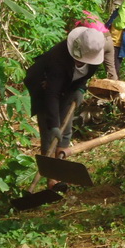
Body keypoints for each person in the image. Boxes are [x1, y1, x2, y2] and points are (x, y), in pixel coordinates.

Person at [24, 27, 105, 190]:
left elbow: (84, 76)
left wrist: (80, 89)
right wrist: (54, 125)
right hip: (44, 87)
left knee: (66, 130)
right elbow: (51, 94)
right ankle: (51, 180)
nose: (82, 62)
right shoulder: (57, 59)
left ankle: (61, 173)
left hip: (67, 88)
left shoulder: (94, 58)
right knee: (50, 134)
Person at [75, 10, 118, 80]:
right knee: (111, 69)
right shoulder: (92, 15)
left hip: (97, 41)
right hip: (108, 38)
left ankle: (82, 86)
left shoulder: (79, 16)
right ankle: (115, 88)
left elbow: (75, 32)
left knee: (88, 64)